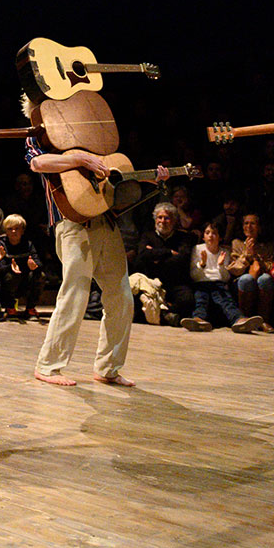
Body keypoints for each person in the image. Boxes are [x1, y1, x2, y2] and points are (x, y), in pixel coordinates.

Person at [26, 97, 167, 387]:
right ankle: (49, 366)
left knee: (121, 294)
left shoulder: (93, 137)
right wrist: (79, 159)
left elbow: (112, 180)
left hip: (105, 220)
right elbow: (38, 163)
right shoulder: (42, 135)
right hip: (72, 222)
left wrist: (148, 180)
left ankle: (108, 367)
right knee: (75, 293)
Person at [181, 220, 263, 333]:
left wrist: (220, 266)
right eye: (207, 233)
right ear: (203, 237)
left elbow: (225, 277)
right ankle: (198, 320)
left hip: (218, 284)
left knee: (226, 301)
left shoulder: (224, 252)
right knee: (201, 300)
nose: (210, 236)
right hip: (201, 283)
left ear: (220, 237)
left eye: (214, 233)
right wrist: (202, 264)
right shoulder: (197, 249)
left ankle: (239, 320)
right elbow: (195, 275)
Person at [230, 212, 274, 328]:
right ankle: (245, 320)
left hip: (261, 277)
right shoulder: (237, 243)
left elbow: (270, 267)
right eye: (246, 223)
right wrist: (247, 254)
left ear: (259, 227)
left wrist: (256, 255)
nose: (249, 226)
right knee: (246, 279)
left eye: (253, 223)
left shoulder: (267, 246)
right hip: (242, 279)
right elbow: (235, 269)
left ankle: (263, 321)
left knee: (266, 279)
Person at [0, 214, 43, 320]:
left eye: (17, 228)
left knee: (40, 276)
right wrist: (10, 267)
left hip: (25, 280)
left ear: (22, 231)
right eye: (10, 229)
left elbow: (38, 263)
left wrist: (34, 266)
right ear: (5, 231)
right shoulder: (1, 244)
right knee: (10, 276)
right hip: (8, 282)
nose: (14, 231)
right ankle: (10, 308)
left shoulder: (28, 244)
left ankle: (30, 309)